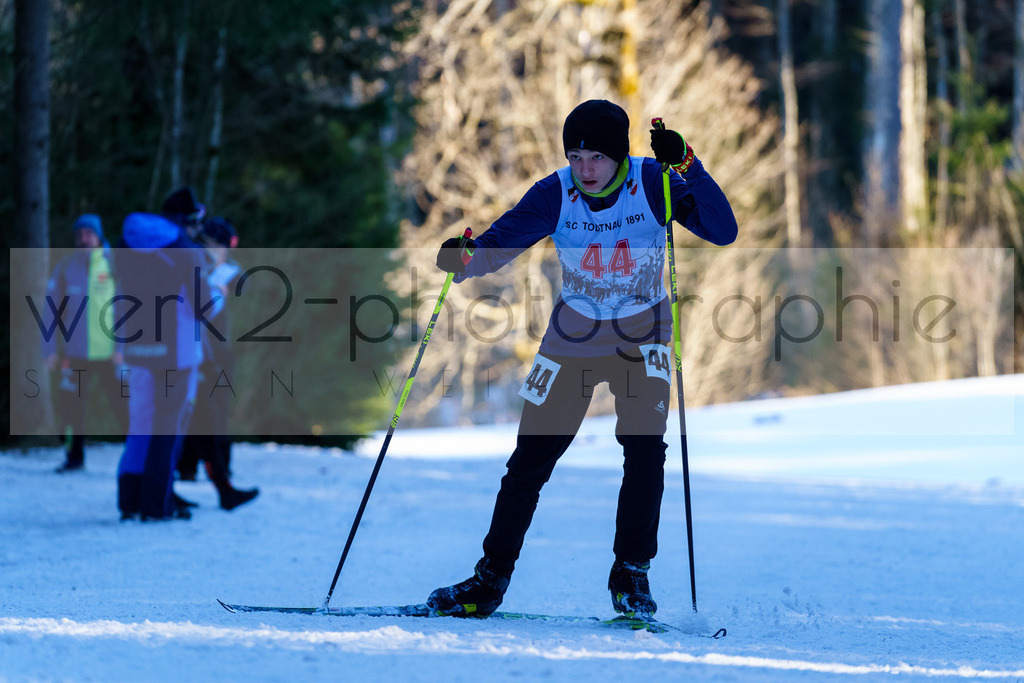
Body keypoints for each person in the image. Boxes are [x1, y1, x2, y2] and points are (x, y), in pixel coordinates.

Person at [427, 100, 738, 618]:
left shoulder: (655, 182)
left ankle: (631, 573)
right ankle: (489, 580)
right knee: (528, 461)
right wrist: (460, 259)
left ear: (618, 157)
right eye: (576, 155)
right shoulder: (556, 191)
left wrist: (687, 165)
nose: (586, 169)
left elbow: (722, 230)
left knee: (644, 453)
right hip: (572, 338)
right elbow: (498, 244)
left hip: (644, 337)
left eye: (596, 157)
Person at [114, 201, 222, 522]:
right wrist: (219, 291)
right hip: (177, 353)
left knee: (141, 425)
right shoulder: (186, 253)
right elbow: (204, 308)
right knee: (167, 429)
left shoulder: (125, 245)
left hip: (137, 348)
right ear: (189, 221)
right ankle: (156, 506)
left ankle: (129, 501)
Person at [178, 216, 259, 511]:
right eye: (219, 244)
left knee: (216, 414)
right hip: (195, 352)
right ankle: (190, 471)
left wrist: (222, 275)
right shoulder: (191, 264)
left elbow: (244, 285)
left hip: (218, 352)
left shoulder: (226, 270)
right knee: (194, 414)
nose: (222, 250)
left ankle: (222, 474)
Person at [43, 214, 125, 472]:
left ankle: (138, 455)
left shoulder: (115, 264)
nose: (84, 238)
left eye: (89, 233)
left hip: (110, 353)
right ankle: (73, 457)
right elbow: (50, 310)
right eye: (80, 234)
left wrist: (122, 348)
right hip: (75, 353)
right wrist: (49, 349)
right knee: (71, 408)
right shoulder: (66, 266)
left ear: (99, 235)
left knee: (124, 406)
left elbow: (127, 309)